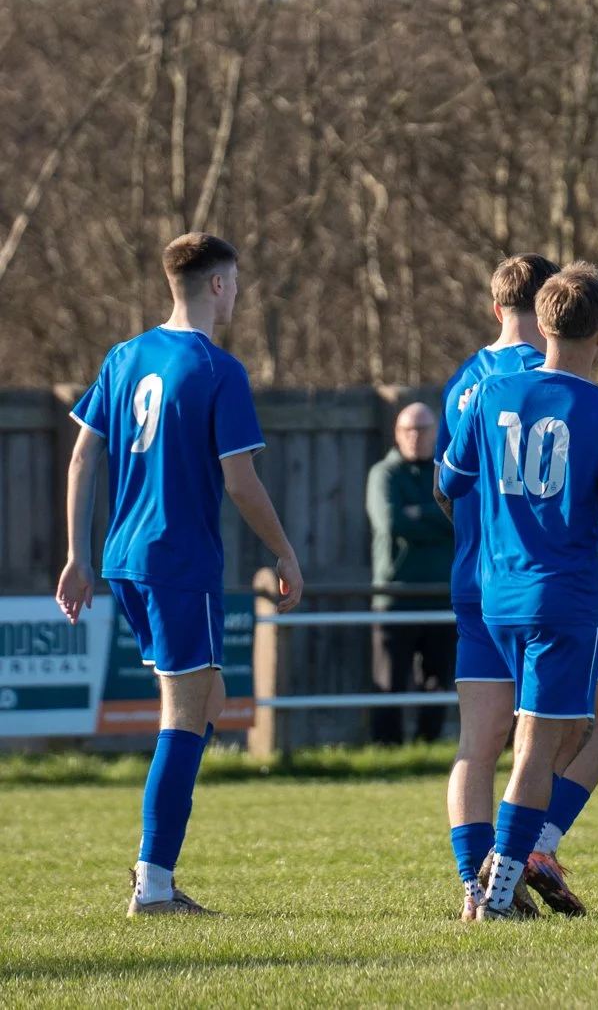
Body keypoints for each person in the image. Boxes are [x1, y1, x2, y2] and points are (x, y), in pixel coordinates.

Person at [54, 233, 305, 916]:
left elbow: (82, 459)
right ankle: (155, 883)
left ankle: (157, 870)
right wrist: (284, 549)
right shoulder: (218, 369)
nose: (240, 293)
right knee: (185, 712)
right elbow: (242, 481)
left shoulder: (124, 355)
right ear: (219, 286)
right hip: (179, 558)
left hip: (124, 558)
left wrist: (76, 555)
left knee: (208, 696)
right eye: (238, 281)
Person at [439, 263, 598, 921]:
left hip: (496, 598)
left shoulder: (490, 395)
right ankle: (494, 893)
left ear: (542, 325)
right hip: (562, 601)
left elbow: (451, 478)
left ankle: (487, 881)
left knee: (509, 742)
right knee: (536, 750)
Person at [367, 402, 456, 745]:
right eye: (409, 429)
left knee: (437, 680)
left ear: (436, 434)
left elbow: (461, 521)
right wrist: (435, 518)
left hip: (441, 596)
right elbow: (391, 522)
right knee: (389, 681)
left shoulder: (447, 474)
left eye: (423, 430)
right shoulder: (384, 474)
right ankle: (386, 749)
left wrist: (418, 515)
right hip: (395, 597)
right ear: (396, 433)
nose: (415, 437)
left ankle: (427, 746)